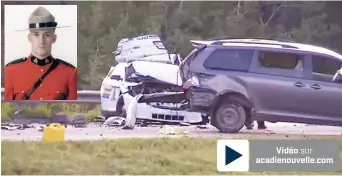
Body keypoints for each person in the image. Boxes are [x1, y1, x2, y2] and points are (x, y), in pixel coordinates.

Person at [4, 6, 77, 100]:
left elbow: (73, 113)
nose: (41, 41)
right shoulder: (11, 71)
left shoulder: (69, 73)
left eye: (47, 35)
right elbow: (7, 113)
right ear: (30, 38)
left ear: (54, 38)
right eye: (36, 35)